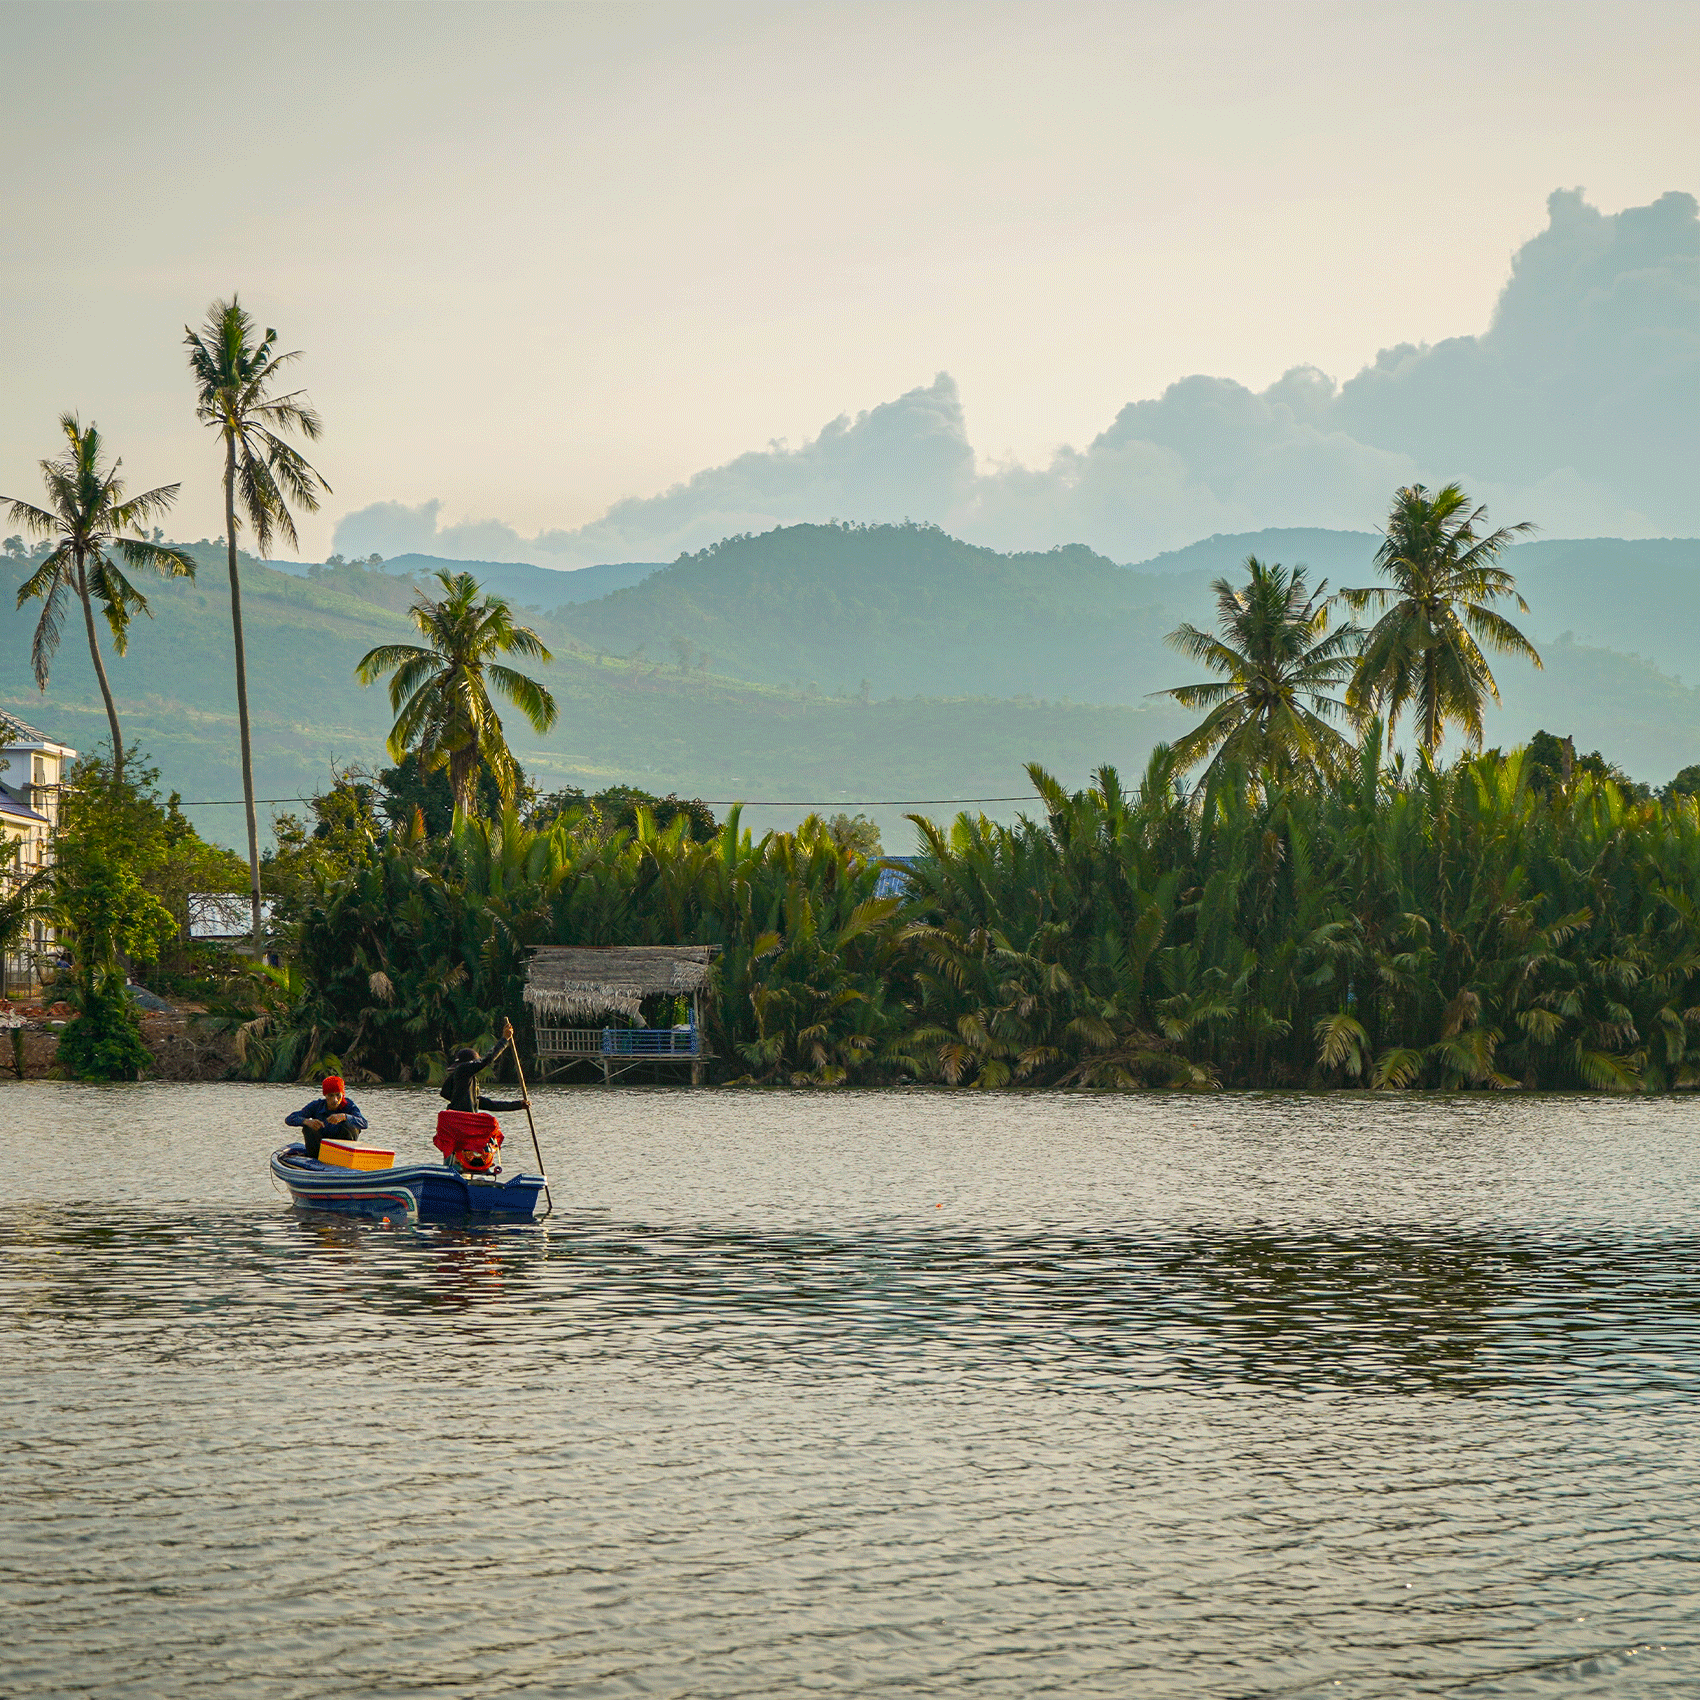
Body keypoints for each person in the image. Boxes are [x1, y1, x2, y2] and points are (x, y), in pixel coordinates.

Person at [440, 1017, 528, 1115]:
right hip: (460, 1120)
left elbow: (490, 1105)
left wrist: (518, 1105)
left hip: (465, 1120)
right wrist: (504, 1040)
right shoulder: (463, 1069)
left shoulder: (465, 1081)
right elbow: (487, 1060)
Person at [286, 1075, 369, 1161]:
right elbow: (290, 1119)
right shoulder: (316, 1106)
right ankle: (315, 1160)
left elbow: (364, 1123)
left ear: (342, 1094)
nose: (335, 1100)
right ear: (325, 1095)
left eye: (338, 1095)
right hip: (319, 1150)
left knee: (351, 1125)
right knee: (308, 1127)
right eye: (331, 1095)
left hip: (343, 1151)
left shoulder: (349, 1106)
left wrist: (344, 1117)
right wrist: (306, 1121)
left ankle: (344, 1158)